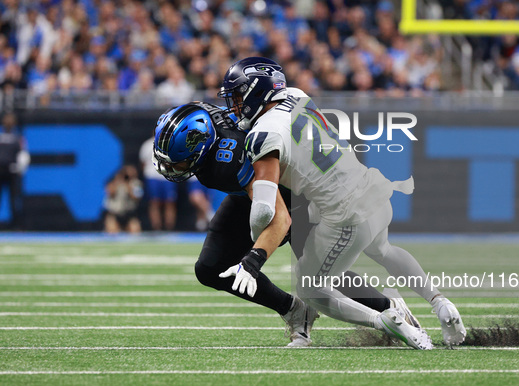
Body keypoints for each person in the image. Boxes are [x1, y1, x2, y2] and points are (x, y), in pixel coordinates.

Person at [217, 57, 467, 349]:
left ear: (255, 91)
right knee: (384, 250)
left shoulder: (263, 135)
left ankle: (385, 320)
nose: (233, 105)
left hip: (345, 213)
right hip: (372, 187)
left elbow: (263, 208)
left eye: (236, 96)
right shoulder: (298, 96)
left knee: (309, 285)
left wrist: (255, 252)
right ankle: (440, 302)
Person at [151, 101, 420, 347]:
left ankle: (390, 308)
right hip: (252, 188)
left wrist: (254, 259)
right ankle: (294, 310)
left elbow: (279, 217)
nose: (172, 168)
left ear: (201, 145)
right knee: (211, 267)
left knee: (318, 273)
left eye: (179, 161)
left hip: (294, 192)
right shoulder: (208, 121)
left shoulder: (226, 161)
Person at [139, 137, 178, 231]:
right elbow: (143, 163)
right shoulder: (147, 145)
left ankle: (169, 228)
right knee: (154, 202)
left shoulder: (171, 144)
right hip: (152, 177)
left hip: (167, 177)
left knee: (170, 202)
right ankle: (157, 228)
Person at [0, 112, 29, 229]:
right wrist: (20, 169)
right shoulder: (18, 138)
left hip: (5, 170)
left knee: (12, 198)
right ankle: (16, 225)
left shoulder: (14, 138)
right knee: (13, 198)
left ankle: (16, 224)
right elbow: (24, 157)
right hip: (12, 170)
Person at [103, 165, 143, 234]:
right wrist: (119, 181)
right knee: (112, 231)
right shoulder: (115, 182)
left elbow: (137, 197)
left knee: (135, 230)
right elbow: (110, 192)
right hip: (115, 213)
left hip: (129, 213)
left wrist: (128, 186)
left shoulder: (136, 183)